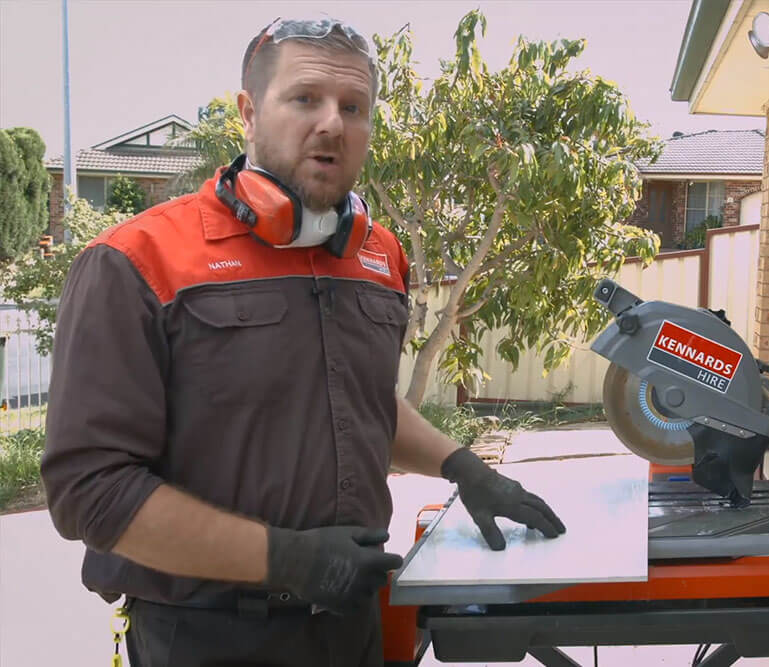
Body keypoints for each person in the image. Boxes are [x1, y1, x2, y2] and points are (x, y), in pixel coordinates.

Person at [40, 14, 565, 667]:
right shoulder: (136, 260)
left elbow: (357, 398)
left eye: (354, 106)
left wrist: (463, 466)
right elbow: (91, 490)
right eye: (305, 98)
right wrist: (286, 557)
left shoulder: (379, 255)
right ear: (249, 111)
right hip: (206, 638)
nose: (333, 123)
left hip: (355, 629)